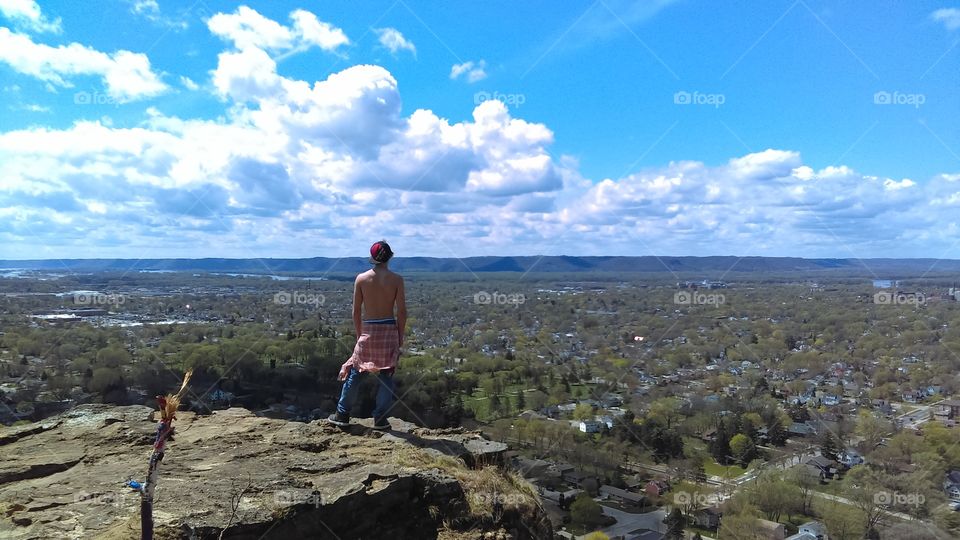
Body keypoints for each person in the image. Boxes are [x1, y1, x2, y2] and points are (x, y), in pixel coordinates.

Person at [328, 240, 406, 430]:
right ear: (390, 256)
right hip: (389, 330)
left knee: (356, 371)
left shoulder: (361, 279)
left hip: (368, 330)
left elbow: (356, 312)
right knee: (387, 375)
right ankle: (380, 418)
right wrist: (400, 336)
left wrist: (359, 335)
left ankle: (342, 414)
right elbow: (402, 312)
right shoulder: (397, 280)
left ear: (372, 259)